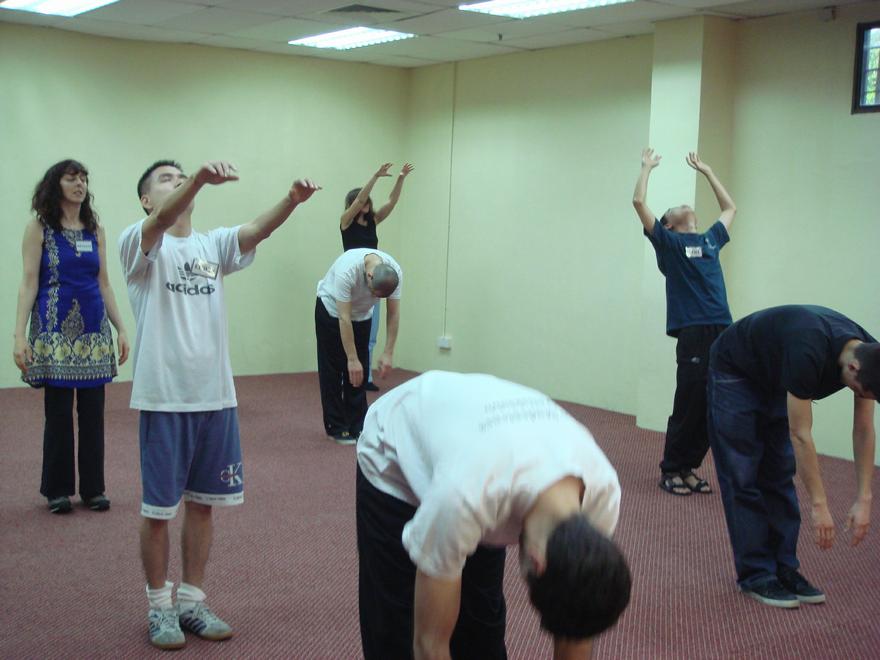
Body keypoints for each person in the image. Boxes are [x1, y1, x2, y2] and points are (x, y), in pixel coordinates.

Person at [119, 159, 319, 649]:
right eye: (167, 179)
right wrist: (197, 181)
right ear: (146, 199)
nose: (178, 182)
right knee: (159, 510)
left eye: (181, 176)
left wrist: (291, 201)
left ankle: (191, 601)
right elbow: (163, 219)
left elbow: (256, 230)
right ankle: (159, 606)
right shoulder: (139, 242)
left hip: (216, 398)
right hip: (165, 399)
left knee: (204, 506)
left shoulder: (211, 246)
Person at [356, 371, 631, 659]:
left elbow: (577, 618)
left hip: (481, 454)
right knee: (399, 632)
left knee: (481, 630)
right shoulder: (464, 497)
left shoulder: (602, 494)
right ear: (537, 563)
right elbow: (429, 645)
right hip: (395, 450)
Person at [708, 305, 879, 608]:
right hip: (735, 368)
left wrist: (864, 498)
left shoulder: (870, 353)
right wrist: (819, 505)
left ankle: (784, 568)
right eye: (859, 391)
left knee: (778, 474)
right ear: (853, 368)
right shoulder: (808, 350)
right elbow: (800, 435)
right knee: (742, 474)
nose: (858, 395)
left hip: (776, 372)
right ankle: (756, 574)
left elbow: (864, 429)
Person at [13, 159, 129, 514]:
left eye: (83, 179)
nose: (79, 184)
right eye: (71, 178)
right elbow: (28, 282)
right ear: (56, 185)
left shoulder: (95, 229)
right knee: (59, 413)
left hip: (93, 332)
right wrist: (19, 336)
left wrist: (121, 327)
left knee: (93, 413)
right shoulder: (39, 227)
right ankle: (57, 490)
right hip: (53, 333)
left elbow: (104, 283)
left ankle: (94, 489)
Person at [632, 149, 736, 496]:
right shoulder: (669, 243)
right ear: (668, 224)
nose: (684, 206)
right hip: (694, 331)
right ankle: (671, 469)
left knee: (713, 403)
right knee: (689, 401)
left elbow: (730, 208)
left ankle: (689, 467)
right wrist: (646, 168)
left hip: (722, 328)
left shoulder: (710, 240)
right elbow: (638, 202)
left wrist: (707, 171)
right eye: (675, 208)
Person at [315, 247, 401, 445]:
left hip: (362, 316)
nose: (374, 298)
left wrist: (388, 352)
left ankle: (357, 424)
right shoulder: (347, 270)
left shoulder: (394, 272)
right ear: (369, 276)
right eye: (373, 293)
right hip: (332, 311)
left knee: (359, 373)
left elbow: (393, 314)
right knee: (333, 369)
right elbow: (344, 318)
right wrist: (351, 359)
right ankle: (336, 427)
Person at [341, 161, 414, 392]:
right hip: (353, 279)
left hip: (373, 280)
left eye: (366, 201)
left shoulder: (373, 221)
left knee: (370, 334)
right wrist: (375, 177)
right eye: (360, 201)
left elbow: (391, 202)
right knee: (349, 328)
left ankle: (367, 377)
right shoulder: (346, 221)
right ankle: (347, 373)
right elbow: (360, 200)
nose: (364, 203)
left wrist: (400, 178)